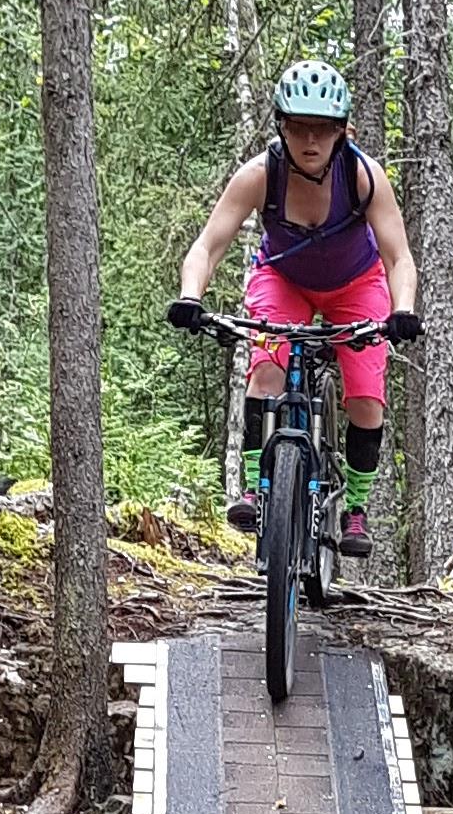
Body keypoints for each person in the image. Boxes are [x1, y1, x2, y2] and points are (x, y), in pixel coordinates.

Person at [170, 58, 421, 558]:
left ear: (342, 130)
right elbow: (207, 246)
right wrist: (191, 296)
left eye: (323, 130)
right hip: (284, 281)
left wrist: (403, 308)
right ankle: (257, 488)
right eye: (299, 127)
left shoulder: (365, 177)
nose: (311, 140)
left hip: (356, 284)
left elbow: (399, 257)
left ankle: (355, 507)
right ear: (281, 126)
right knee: (266, 373)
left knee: (365, 394)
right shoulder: (260, 176)